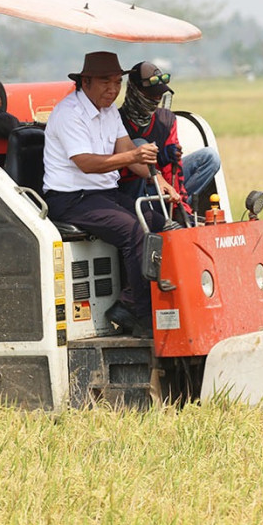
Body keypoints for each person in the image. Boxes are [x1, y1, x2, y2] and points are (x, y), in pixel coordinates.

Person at [42, 51, 180, 338]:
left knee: (161, 226)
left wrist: (158, 182)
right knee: (135, 232)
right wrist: (135, 153)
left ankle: (146, 304)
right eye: (106, 82)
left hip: (104, 194)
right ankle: (137, 314)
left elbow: (129, 154)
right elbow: (87, 163)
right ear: (86, 82)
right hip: (70, 199)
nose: (113, 89)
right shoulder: (69, 113)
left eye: (118, 82)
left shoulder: (109, 113)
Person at [118, 61, 222, 219]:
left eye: (159, 95)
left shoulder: (166, 120)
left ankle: (176, 205)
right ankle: (153, 211)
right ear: (135, 90)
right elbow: (115, 168)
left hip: (165, 187)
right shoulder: (117, 121)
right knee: (140, 144)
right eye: (151, 95)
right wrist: (154, 169)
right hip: (133, 188)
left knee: (210, 157)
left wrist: (178, 203)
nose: (156, 99)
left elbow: (174, 168)